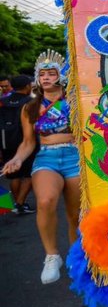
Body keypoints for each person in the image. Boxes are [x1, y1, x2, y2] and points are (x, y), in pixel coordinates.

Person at [1, 50, 81, 284]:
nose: (46, 77)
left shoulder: (74, 102)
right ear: (37, 78)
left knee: (75, 214)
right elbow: (28, 143)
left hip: (74, 156)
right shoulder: (30, 108)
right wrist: (16, 159)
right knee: (45, 201)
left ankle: (77, 257)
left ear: (60, 76)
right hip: (46, 157)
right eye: (42, 74)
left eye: (51, 73)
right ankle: (52, 255)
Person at [0, 75, 36, 214]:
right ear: (27, 86)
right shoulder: (30, 101)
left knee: (14, 174)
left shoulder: (2, 101)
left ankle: (17, 203)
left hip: (6, 141)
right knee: (29, 174)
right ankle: (20, 203)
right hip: (26, 141)